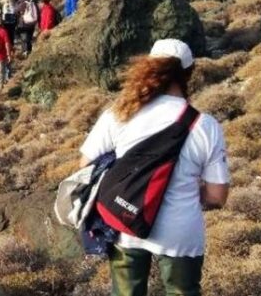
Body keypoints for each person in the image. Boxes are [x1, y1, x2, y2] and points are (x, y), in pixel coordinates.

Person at [79, 39, 230, 296]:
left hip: (125, 221)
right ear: (188, 74)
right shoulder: (204, 125)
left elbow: (85, 165)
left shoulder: (120, 113)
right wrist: (190, 194)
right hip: (180, 231)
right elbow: (217, 195)